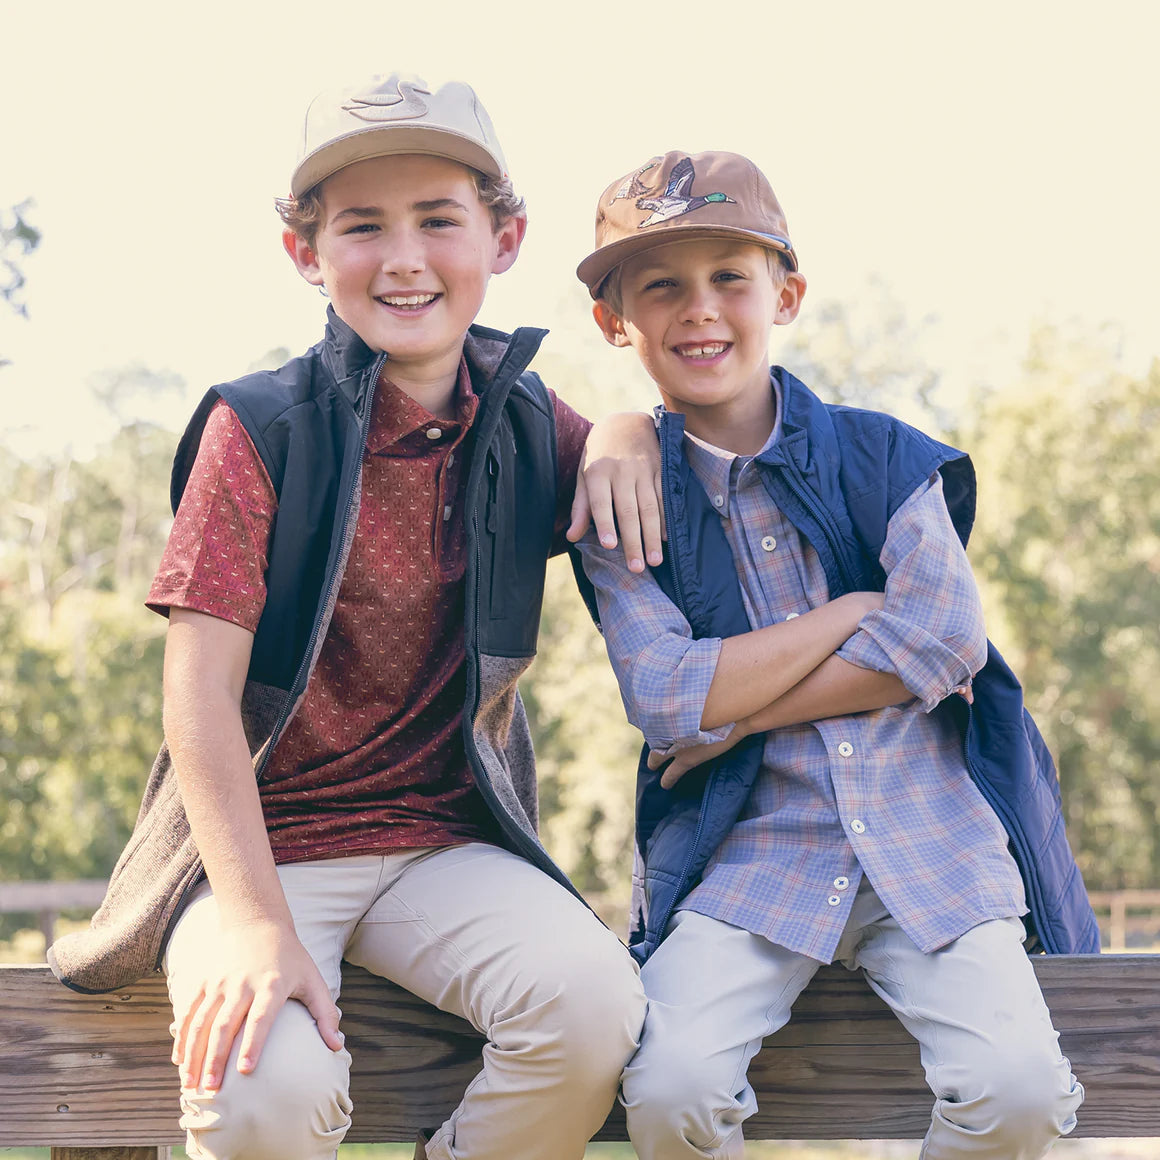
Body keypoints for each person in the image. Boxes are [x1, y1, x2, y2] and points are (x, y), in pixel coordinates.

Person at [48, 73, 656, 1160]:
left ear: (503, 238)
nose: (405, 257)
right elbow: (198, 703)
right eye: (362, 226)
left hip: (445, 841)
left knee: (591, 1007)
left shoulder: (522, 419)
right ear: (306, 255)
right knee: (256, 1093)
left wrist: (621, 429)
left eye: (438, 219)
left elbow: (620, 436)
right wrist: (251, 920)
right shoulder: (261, 426)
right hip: (257, 850)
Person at [573, 150, 1098, 1160]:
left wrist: (736, 698)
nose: (700, 309)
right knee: (670, 1091)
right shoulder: (623, 506)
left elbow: (944, 637)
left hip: (932, 842)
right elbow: (664, 697)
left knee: (1018, 1090)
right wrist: (853, 610)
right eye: (661, 286)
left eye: (729, 275)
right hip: (750, 859)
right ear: (615, 321)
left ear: (787, 292)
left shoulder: (884, 455)